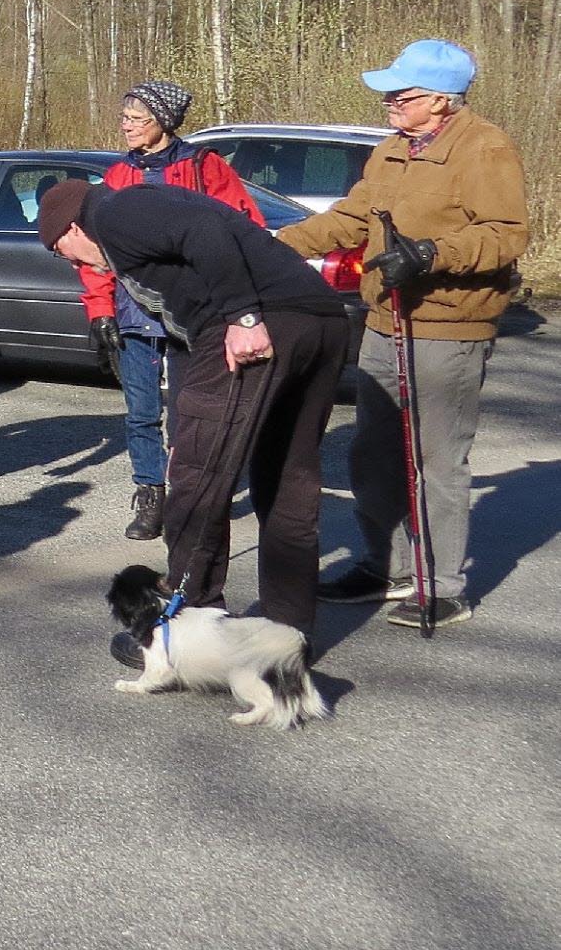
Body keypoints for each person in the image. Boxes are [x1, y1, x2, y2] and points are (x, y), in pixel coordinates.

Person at [36, 177, 349, 661]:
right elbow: (187, 331)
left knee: (196, 481)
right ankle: (287, 636)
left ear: (74, 226)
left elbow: (203, 229)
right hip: (318, 320)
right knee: (288, 476)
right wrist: (188, 419)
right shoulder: (137, 214)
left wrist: (244, 318)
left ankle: (186, 632)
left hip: (263, 322)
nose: (77, 264)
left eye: (65, 252)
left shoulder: (116, 214)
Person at [276, 41, 529, 628]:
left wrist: (432, 253)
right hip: (385, 318)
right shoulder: (392, 150)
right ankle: (383, 567)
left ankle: (442, 584)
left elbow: (507, 234)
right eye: (390, 91)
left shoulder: (484, 147)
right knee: (373, 451)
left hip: (447, 321)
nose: (389, 100)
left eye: (403, 93)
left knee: (437, 458)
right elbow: (348, 219)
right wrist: (271, 246)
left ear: (442, 100)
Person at [80, 81, 263, 543]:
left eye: (135, 119)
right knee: (140, 412)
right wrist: (100, 310)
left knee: (189, 411)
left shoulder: (207, 168)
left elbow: (244, 227)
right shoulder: (117, 177)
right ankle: (149, 493)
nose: (125, 126)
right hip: (133, 312)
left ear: (161, 122)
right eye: (123, 118)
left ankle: (188, 493)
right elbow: (96, 249)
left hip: (193, 314)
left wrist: (238, 303)